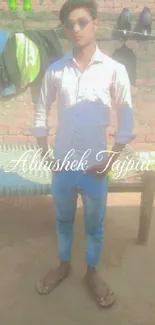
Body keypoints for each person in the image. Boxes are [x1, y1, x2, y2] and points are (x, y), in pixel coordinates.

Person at [32, 0, 135, 308]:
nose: (75, 28)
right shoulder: (55, 71)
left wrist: (110, 159)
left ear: (95, 25)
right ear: (65, 29)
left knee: (95, 224)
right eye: (70, 24)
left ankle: (91, 272)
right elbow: (40, 113)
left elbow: (126, 118)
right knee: (63, 220)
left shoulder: (114, 70)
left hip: (95, 167)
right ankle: (64, 265)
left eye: (81, 22)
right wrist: (45, 155)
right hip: (62, 166)